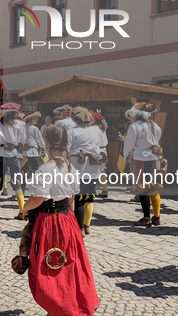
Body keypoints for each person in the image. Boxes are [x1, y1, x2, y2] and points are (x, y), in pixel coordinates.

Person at [19, 124, 99, 316]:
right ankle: (62, 305)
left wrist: (25, 209)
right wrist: (70, 222)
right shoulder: (71, 168)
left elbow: (38, 198)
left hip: (49, 221)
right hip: (66, 219)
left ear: (47, 143)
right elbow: (71, 200)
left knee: (49, 264)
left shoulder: (46, 169)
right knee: (68, 264)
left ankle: (57, 308)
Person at [123, 103, 163, 227]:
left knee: (143, 187)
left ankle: (146, 217)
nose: (131, 117)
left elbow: (129, 144)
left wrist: (126, 157)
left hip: (139, 159)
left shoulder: (134, 126)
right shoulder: (155, 126)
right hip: (154, 158)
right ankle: (156, 217)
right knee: (153, 187)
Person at [68, 107, 105, 235]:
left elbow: (67, 149)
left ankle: (80, 228)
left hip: (78, 166)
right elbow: (101, 145)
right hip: (93, 166)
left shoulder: (72, 131)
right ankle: (87, 225)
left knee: (79, 198)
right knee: (89, 197)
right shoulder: (96, 129)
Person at [0, 107, 26, 221]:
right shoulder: (20, 124)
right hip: (15, 155)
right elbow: (23, 139)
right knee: (17, 183)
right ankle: (21, 212)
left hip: (3, 153)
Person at [22, 111, 45, 194]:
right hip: (33, 152)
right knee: (37, 172)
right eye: (35, 118)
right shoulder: (34, 129)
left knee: (23, 173)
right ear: (30, 119)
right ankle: (37, 191)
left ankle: (21, 191)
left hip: (23, 153)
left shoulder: (22, 127)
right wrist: (43, 147)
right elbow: (41, 142)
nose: (37, 120)